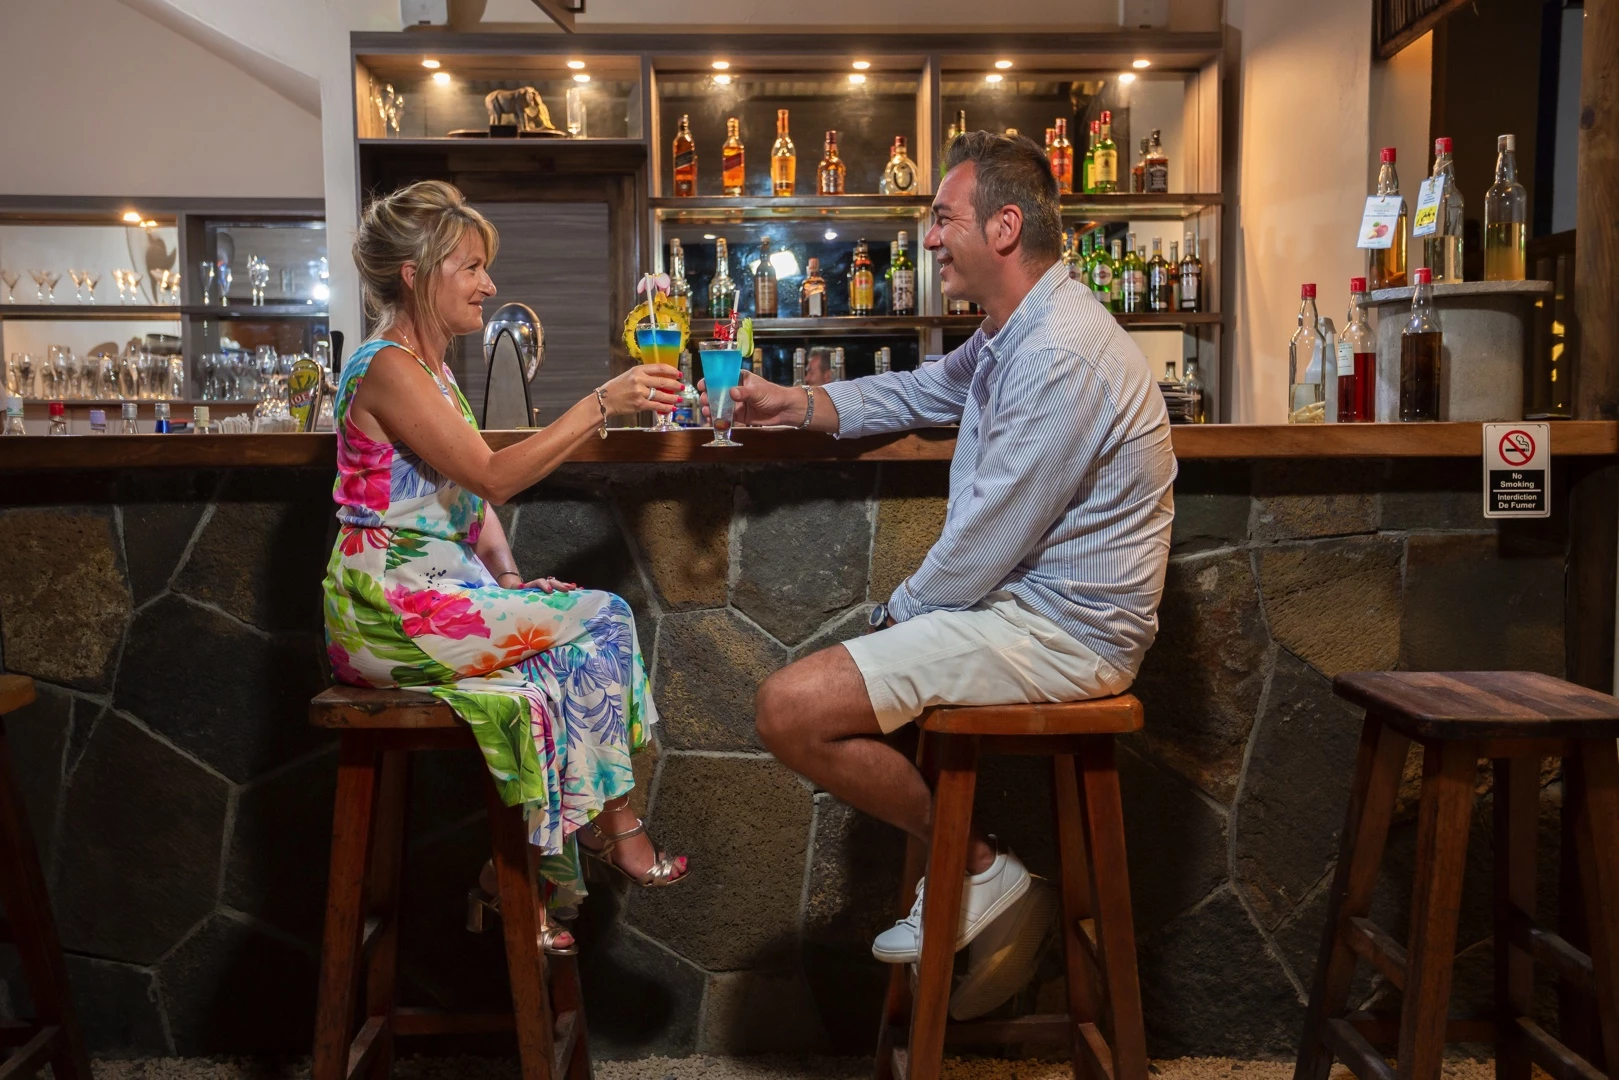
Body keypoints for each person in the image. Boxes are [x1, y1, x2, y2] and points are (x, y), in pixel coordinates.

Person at [708, 132, 1175, 1016]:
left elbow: (990, 533)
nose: (927, 239)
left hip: (1065, 634)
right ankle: (971, 872)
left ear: (1004, 227)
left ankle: (978, 869)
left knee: (790, 709)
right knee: (817, 697)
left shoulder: (1060, 350)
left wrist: (898, 617)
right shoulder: (1013, 330)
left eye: (941, 218)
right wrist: (795, 403)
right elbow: (920, 391)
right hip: (1019, 613)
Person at [323, 180, 691, 954]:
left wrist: (510, 586)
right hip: (386, 610)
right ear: (415, 275)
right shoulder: (386, 367)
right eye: (471, 267)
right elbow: (492, 478)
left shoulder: (432, 370)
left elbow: (465, 497)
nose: (488, 285)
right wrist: (601, 403)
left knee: (555, 671)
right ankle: (613, 826)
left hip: (439, 598)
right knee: (605, 617)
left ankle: (514, 881)